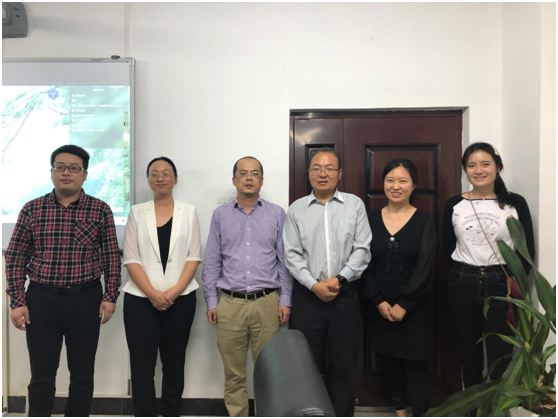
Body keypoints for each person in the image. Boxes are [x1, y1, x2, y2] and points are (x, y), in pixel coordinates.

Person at [5, 144, 122, 417]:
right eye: (60, 167)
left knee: (82, 373)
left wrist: (110, 296)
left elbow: (110, 257)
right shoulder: (32, 209)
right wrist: (17, 301)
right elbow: (15, 257)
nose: (66, 173)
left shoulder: (100, 209)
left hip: (85, 299)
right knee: (42, 374)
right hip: (41, 300)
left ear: (85, 174)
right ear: (51, 172)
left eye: (74, 168)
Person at [283, 147, 372, 417]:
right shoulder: (296, 209)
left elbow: (362, 249)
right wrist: (314, 285)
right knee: (306, 368)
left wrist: (340, 279)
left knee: (344, 367)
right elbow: (292, 254)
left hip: (345, 297)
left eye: (329, 168)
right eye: (317, 168)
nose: (323, 174)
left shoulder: (354, 205)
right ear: (309, 173)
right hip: (307, 299)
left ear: (339, 173)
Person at [202, 156, 292, 417]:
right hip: (230, 304)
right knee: (233, 373)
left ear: (262, 180)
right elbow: (212, 260)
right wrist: (212, 301)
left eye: (254, 173)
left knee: (269, 372)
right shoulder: (220, 215)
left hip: (267, 302)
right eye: (243, 173)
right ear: (234, 180)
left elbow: (284, 260)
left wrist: (285, 299)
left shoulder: (277, 214)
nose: (249, 178)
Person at [443, 142, 535, 391]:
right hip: (463, 282)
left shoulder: (515, 203)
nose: (478, 170)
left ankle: (497, 408)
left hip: (501, 282)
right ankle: (473, 407)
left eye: (485, 164)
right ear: (465, 170)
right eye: (471, 165)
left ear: (498, 167)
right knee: (469, 357)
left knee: (500, 358)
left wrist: (514, 284)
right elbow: (448, 248)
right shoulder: (454, 204)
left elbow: (527, 251)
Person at [122, 157, 201, 416]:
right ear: (148, 180)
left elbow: (193, 256)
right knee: (141, 366)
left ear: (175, 179)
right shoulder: (137, 212)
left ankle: (170, 413)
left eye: (166, 173)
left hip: (181, 299)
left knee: (174, 364)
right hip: (139, 300)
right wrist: (152, 293)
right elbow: (131, 258)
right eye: (154, 174)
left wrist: (174, 291)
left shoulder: (189, 211)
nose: (160, 178)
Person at [363, 158, 436, 417]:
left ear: (413, 185)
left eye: (403, 181)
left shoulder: (424, 221)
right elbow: (363, 264)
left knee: (416, 367)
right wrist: (378, 301)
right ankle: (400, 413)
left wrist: (404, 304)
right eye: (390, 180)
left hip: (415, 309)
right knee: (391, 364)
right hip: (380, 307)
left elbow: (425, 268)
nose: (396, 186)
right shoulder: (370, 220)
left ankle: (420, 413)